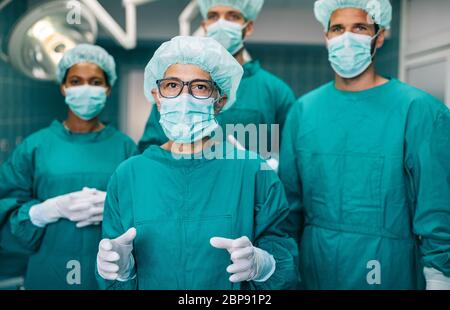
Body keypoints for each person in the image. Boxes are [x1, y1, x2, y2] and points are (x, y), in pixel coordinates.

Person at [96, 36, 298, 290]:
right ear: (157, 97)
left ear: (219, 101)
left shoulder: (253, 173)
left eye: (200, 87)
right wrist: (122, 273)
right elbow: (110, 275)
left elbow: (285, 266)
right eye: (172, 85)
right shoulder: (128, 176)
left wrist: (264, 266)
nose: (184, 97)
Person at [279, 0, 450, 290]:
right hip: (316, 265)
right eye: (337, 28)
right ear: (326, 37)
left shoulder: (419, 110)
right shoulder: (303, 111)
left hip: (390, 266)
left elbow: (437, 204)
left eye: (359, 27)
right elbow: (287, 209)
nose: (347, 37)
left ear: (379, 36)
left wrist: (440, 275)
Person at [0, 44, 138, 290]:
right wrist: (41, 212)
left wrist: (115, 205)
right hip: (48, 274)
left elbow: (146, 215)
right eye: (76, 81)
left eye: (95, 82)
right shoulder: (35, 146)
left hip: (108, 277)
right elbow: (5, 212)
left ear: (108, 89)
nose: (86, 88)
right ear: (63, 87)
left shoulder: (125, 148)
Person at [138, 0, 295, 165]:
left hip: (249, 188)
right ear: (205, 25)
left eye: (232, 16)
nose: (221, 24)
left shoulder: (275, 91)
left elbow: (291, 155)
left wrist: (268, 168)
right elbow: (150, 151)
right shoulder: (176, 93)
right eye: (213, 16)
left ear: (248, 27)